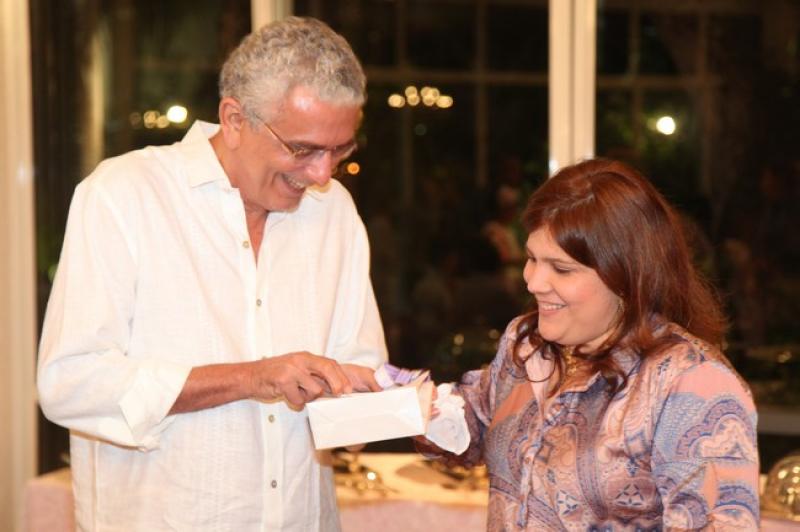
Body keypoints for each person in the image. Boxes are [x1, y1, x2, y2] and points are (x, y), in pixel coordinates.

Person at [37, 17, 387, 531]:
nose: (322, 174)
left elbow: (358, 376)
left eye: (340, 149)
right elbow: (70, 383)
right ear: (234, 118)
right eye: (303, 149)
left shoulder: (335, 212)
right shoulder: (124, 196)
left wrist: (383, 400)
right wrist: (251, 377)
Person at [417, 159, 759, 530]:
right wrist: (404, 404)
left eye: (561, 269)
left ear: (626, 276)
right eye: (532, 258)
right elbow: (477, 422)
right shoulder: (528, 344)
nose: (534, 282)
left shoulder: (691, 382)